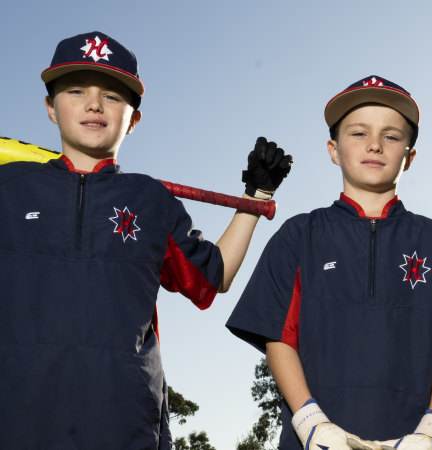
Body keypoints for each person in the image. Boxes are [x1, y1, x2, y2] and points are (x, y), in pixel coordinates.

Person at [0, 31, 292, 448]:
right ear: (50, 107)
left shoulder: (151, 199)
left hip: (124, 420)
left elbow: (215, 275)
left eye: (113, 96)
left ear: (134, 119)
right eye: (76, 90)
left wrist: (254, 199)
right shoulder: (9, 189)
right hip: (17, 415)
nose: (94, 104)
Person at [226, 75, 432, 449]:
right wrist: (310, 422)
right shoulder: (300, 235)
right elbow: (279, 335)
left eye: (391, 136)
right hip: (313, 439)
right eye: (358, 133)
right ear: (333, 149)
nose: (375, 144)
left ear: (409, 157)